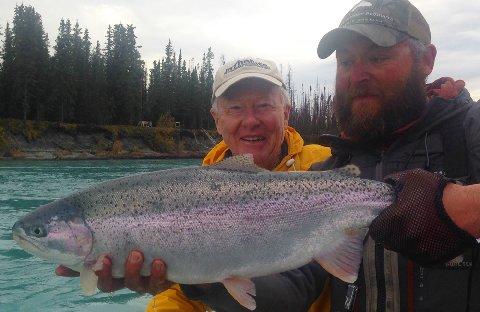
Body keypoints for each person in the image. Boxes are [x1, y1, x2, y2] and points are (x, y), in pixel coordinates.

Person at [172, 0, 480, 311]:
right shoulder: (330, 174)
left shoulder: (471, 131)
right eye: (345, 62)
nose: (357, 75)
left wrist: (460, 205)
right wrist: (202, 279)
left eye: (377, 57)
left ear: (426, 60)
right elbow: (294, 289)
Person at [56, 57, 332, 312]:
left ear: (286, 112)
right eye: (235, 108)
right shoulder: (191, 195)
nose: (251, 121)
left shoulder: (328, 167)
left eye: (264, 106)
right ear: (217, 119)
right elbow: (181, 295)